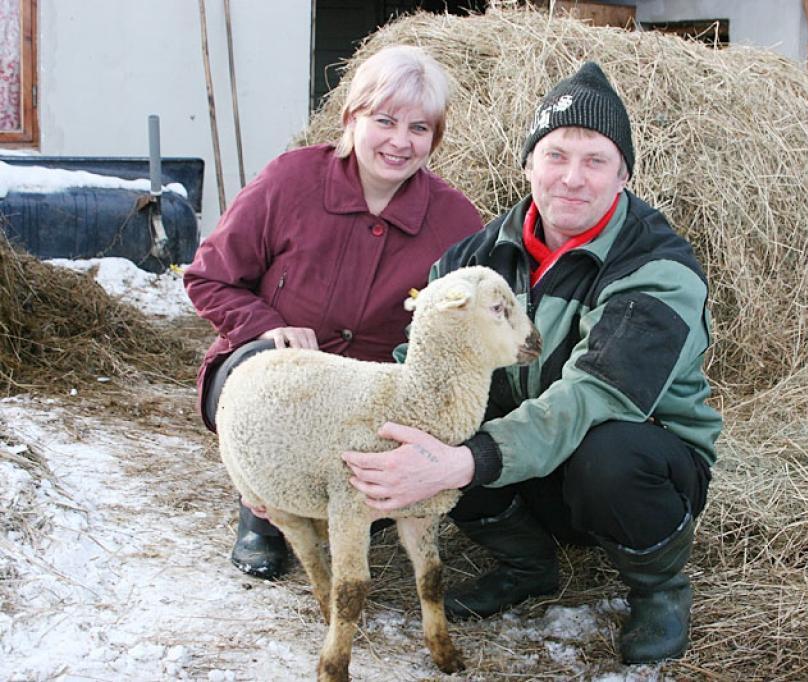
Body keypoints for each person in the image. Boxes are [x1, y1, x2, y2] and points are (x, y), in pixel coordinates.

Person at [341, 62, 722, 664]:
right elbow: (420, 368)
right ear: (528, 165)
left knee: (610, 453)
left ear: (623, 175)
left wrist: (464, 462)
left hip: (638, 466)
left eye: (596, 160)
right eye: (556, 156)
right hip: (527, 464)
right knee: (437, 409)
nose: (572, 179)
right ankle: (526, 563)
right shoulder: (476, 255)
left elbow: (595, 395)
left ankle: (660, 589)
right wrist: (347, 462)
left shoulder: (657, 267)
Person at [183, 45, 482, 581]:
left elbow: (468, 321)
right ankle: (263, 517)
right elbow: (208, 277)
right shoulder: (290, 180)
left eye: (418, 128)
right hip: (271, 369)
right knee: (261, 369)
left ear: (434, 139)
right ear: (351, 117)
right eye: (384, 120)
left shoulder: (456, 220)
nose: (399, 141)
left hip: (372, 396)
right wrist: (268, 327)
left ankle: (355, 506)